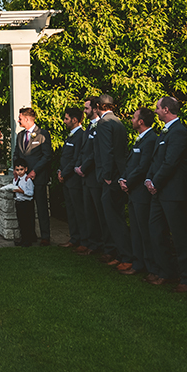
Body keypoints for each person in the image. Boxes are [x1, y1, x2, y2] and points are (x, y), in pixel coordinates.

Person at [145, 97, 187, 291]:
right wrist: (149, 179)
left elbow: (171, 162)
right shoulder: (164, 132)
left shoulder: (179, 132)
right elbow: (156, 160)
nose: (156, 111)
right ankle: (166, 272)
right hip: (159, 191)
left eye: (157, 108)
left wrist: (156, 182)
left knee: (180, 235)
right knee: (156, 231)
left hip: (174, 192)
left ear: (166, 109)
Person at [119, 108, 159, 277]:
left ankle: (150, 266)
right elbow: (131, 163)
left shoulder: (150, 139)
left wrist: (129, 182)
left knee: (144, 229)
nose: (132, 120)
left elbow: (143, 166)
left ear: (141, 121)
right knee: (135, 229)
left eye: (134, 118)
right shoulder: (139, 139)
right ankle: (138, 262)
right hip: (132, 190)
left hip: (141, 191)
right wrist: (122, 178)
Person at [94, 94, 131, 267]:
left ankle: (124, 255)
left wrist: (107, 176)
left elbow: (106, 151)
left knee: (113, 218)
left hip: (111, 177)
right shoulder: (118, 122)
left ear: (99, 106)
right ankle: (119, 253)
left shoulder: (104, 123)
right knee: (116, 216)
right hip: (119, 173)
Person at [13, 107, 53, 246]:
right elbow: (16, 153)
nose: (18, 121)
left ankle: (45, 236)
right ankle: (29, 235)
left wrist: (35, 171)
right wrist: (16, 168)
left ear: (27, 119)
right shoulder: (20, 135)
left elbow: (47, 155)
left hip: (38, 177)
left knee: (41, 207)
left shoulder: (42, 134)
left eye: (20, 118)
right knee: (26, 208)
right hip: (23, 179)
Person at [75, 96, 108, 256]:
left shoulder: (101, 126)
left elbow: (96, 152)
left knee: (98, 212)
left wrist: (84, 167)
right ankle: (92, 242)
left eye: (87, 108)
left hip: (94, 175)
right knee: (88, 211)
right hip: (86, 177)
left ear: (95, 109)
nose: (85, 111)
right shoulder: (89, 127)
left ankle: (101, 245)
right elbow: (84, 149)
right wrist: (79, 165)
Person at [57, 107, 86, 249]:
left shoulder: (81, 135)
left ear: (75, 120)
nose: (64, 121)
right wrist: (59, 170)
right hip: (66, 178)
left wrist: (64, 173)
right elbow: (66, 156)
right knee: (70, 210)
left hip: (74, 179)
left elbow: (76, 158)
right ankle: (74, 238)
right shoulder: (71, 135)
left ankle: (83, 240)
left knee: (78, 210)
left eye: (67, 118)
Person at [11, 160, 37, 247]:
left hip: (26, 203)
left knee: (27, 222)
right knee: (21, 222)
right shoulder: (16, 179)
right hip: (19, 202)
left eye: (21, 169)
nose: (19, 172)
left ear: (25, 169)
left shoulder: (27, 180)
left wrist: (22, 191)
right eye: (17, 170)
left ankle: (28, 240)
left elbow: (31, 193)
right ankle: (23, 239)